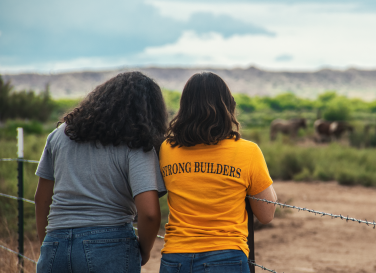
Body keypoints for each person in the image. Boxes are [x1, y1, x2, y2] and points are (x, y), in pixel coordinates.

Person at [34, 71, 168, 273]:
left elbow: (41, 199)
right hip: (109, 246)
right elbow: (149, 214)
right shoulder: (137, 143)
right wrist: (144, 251)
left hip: (56, 243)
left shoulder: (59, 135)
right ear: (150, 112)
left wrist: (49, 243)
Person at [159, 72, 277, 273]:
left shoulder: (166, 149)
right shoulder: (248, 151)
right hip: (227, 257)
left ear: (185, 108)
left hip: (175, 258)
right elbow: (267, 214)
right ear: (228, 107)